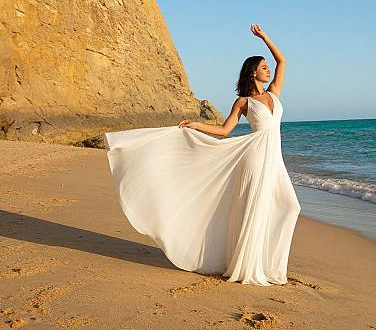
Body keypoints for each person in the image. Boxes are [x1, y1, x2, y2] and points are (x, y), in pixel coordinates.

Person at [105, 24, 301, 286]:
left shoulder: (274, 94)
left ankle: (264, 264)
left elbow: (282, 59)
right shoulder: (244, 102)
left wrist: (264, 37)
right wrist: (196, 125)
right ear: (254, 72)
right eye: (263, 67)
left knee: (289, 206)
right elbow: (224, 130)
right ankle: (248, 266)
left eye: (267, 67)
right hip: (254, 158)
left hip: (273, 159)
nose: (268, 70)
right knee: (255, 209)